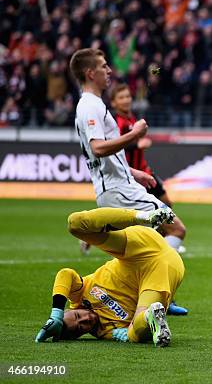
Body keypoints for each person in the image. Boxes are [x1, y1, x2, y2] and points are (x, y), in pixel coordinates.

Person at [70, 49, 189, 314]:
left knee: (140, 248)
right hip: (119, 191)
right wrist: (134, 134)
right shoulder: (90, 105)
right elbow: (98, 148)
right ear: (91, 73)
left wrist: (135, 173)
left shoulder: (94, 104)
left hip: (121, 185)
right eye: (103, 66)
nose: (109, 70)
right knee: (175, 230)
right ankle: (158, 296)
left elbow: (104, 157)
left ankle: (147, 296)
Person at [35, 207, 182, 346]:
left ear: (70, 310)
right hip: (162, 272)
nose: (86, 320)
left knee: (75, 224)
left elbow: (65, 274)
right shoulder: (106, 332)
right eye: (80, 328)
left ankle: (143, 216)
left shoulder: (79, 296)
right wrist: (132, 334)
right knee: (135, 332)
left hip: (135, 250)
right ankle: (150, 315)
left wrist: (56, 314)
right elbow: (138, 331)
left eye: (78, 316)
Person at [111, 83, 183, 225]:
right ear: (114, 102)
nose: (126, 100)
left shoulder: (132, 119)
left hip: (144, 170)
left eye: (127, 96)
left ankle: (165, 237)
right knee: (129, 217)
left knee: (166, 203)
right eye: (121, 97)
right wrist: (136, 144)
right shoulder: (116, 122)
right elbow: (114, 145)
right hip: (131, 175)